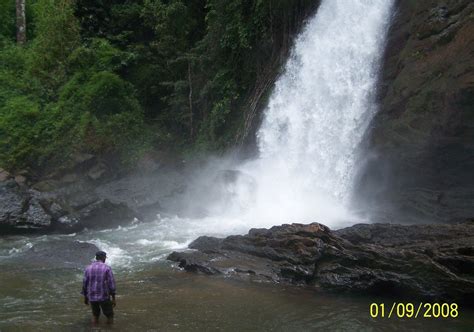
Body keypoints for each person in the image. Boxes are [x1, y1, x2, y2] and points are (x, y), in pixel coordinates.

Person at [81, 250, 117, 325]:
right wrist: (113, 298)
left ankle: (95, 329)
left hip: (92, 296)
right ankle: (109, 329)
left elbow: (85, 283)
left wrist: (85, 297)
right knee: (110, 315)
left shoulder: (88, 268)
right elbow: (111, 284)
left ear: (96, 258)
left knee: (95, 315)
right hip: (103, 296)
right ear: (104, 258)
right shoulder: (107, 268)